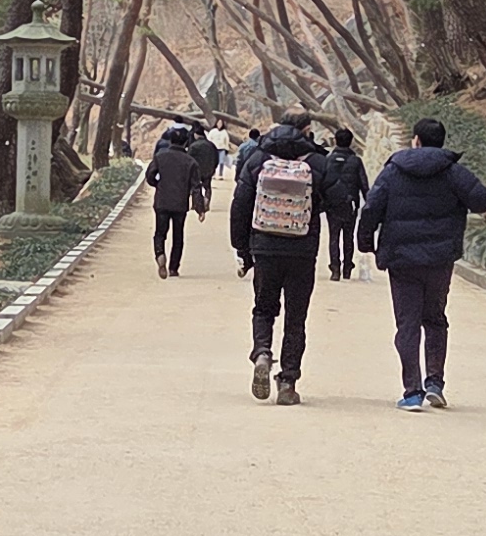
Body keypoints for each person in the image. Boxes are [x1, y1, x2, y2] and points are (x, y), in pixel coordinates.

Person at [357, 115, 486, 412]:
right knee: (434, 319)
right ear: (441, 142)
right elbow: (482, 201)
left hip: (401, 259)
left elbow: (371, 208)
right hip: (439, 258)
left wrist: (366, 242)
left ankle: (412, 392)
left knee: (407, 323)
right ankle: (435, 383)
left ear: (416, 141)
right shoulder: (453, 172)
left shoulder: (393, 171)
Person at [229, 111, 355, 405]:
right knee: (296, 318)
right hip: (302, 249)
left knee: (264, 308)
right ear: (306, 129)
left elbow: (240, 206)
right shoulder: (316, 162)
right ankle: (287, 381)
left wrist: (243, 249)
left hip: (264, 247)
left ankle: (262, 352)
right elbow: (343, 205)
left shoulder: (258, 159)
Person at [144, 124, 206, 277]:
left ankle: (160, 254)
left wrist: (158, 185)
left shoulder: (160, 157)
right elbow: (196, 187)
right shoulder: (190, 162)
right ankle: (173, 268)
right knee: (178, 236)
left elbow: (150, 175)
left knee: (160, 232)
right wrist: (200, 208)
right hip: (180, 203)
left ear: (170, 141)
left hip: (162, 200)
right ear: (186, 143)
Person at [319, 125, 366, 283]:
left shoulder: (327, 160)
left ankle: (335, 268)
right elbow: (364, 184)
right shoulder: (356, 161)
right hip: (350, 203)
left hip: (332, 203)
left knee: (334, 236)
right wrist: (369, 204)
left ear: (335, 141)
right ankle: (347, 268)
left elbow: (322, 183)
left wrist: (322, 202)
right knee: (348, 236)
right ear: (351, 142)